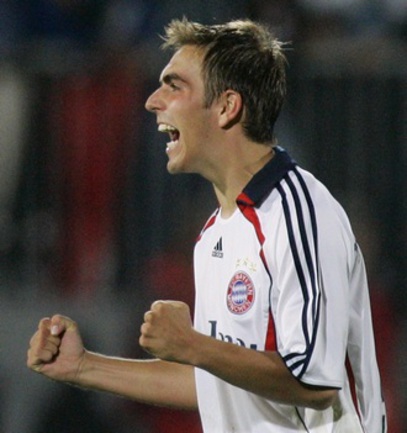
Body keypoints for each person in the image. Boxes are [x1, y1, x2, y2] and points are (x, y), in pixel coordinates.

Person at [27, 18, 387, 433]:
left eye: (174, 86)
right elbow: (218, 385)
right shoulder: (215, 232)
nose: (152, 101)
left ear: (227, 107)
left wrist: (193, 345)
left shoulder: (299, 215)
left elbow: (314, 382)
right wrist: (83, 367)